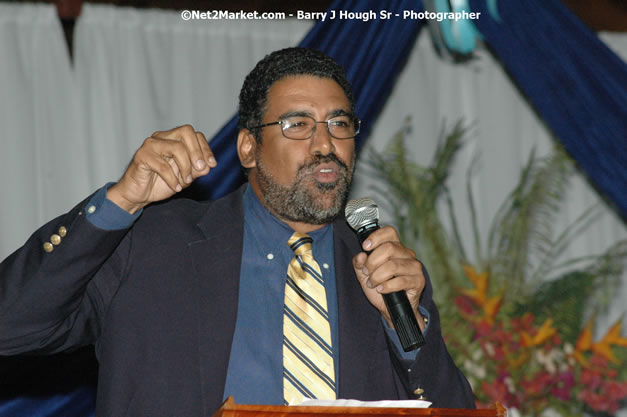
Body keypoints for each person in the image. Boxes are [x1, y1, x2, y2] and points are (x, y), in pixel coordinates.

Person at [0, 48, 474, 416]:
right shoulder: (150, 245)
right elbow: (12, 324)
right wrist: (121, 202)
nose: (326, 144)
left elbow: (451, 410)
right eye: (298, 124)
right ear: (248, 148)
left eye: (340, 123)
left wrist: (408, 331)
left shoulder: (384, 270)